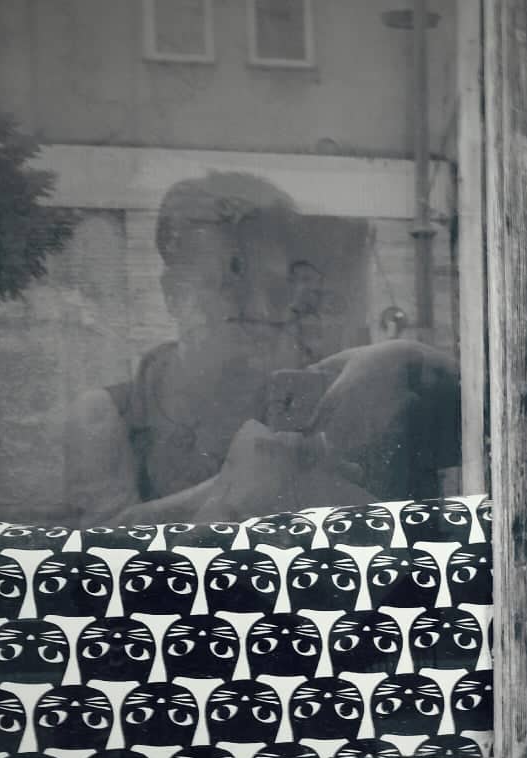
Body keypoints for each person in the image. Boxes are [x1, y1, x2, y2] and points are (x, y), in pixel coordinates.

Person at [61, 172, 460, 525]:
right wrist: (234, 487)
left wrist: (415, 365)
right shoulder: (110, 418)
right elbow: (102, 561)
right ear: (174, 294)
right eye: (229, 283)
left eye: (276, 288)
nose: (263, 309)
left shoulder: (319, 391)